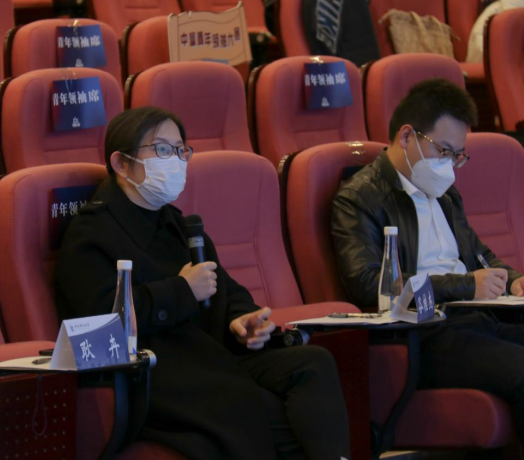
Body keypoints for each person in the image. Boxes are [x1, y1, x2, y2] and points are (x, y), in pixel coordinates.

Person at [56, 106, 351, 460]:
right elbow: (101, 323)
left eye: (181, 150)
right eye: (162, 149)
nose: (175, 160)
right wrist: (181, 291)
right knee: (271, 416)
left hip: (207, 358)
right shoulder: (91, 232)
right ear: (121, 163)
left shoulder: (179, 224)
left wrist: (242, 319)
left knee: (313, 363)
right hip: (154, 373)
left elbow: (223, 286)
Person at [332, 78, 524, 440]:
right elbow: (369, 284)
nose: (449, 165)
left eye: (457, 156)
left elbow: (479, 256)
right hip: (427, 335)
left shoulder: (445, 194)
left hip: (478, 320)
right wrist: (465, 286)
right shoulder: (361, 198)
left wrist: (513, 280)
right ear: (407, 136)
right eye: (443, 151)